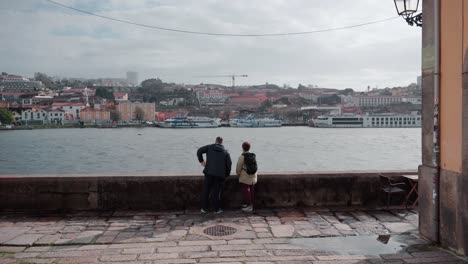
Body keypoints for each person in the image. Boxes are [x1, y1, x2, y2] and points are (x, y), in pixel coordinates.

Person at [197, 136, 232, 214]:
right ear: (222, 142)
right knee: (216, 192)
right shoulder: (226, 152)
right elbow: (229, 164)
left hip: (209, 173)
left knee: (206, 191)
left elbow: (199, 151)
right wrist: (226, 174)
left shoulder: (209, 147)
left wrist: (201, 161)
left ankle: (204, 208)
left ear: (215, 141)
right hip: (219, 175)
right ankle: (216, 209)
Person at [236, 141, 257, 212]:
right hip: (253, 176)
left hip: (245, 177)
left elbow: (238, 167)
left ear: (242, 148)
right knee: (251, 191)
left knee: (246, 191)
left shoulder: (242, 156)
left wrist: (238, 174)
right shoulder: (253, 155)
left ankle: (250, 206)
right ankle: (249, 204)